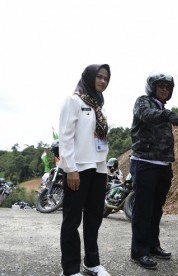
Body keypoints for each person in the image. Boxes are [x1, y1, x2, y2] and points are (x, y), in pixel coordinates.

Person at [58, 64, 112, 276]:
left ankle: (92, 263)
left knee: (94, 218)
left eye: (106, 78)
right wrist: (70, 169)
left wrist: (105, 169)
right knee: (72, 221)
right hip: (78, 169)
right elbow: (66, 137)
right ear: (89, 77)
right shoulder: (74, 101)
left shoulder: (100, 105)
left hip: (98, 169)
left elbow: (101, 140)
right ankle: (70, 269)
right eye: (99, 77)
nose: (102, 81)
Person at [129, 71, 178, 270]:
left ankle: (153, 245)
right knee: (143, 209)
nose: (164, 90)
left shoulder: (163, 108)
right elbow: (147, 116)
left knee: (155, 209)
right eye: (161, 86)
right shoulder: (143, 101)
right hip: (144, 163)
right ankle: (139, 252)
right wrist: (166, 115)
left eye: (168, 88)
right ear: (152, 88)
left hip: (163, 166)